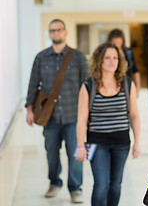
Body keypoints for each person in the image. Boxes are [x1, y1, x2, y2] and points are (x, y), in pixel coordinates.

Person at [25, 19, 88, 203]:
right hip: (49, 117)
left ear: (65, 32)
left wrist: (89, 113)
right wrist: (29, 108)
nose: (56, 33)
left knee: (75, 154)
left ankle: (76, 189)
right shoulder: (41, 57)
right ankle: (54, 183)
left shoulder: (77, 57)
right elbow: (33, 84)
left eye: (59, 30)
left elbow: (87, 86)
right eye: (52, 31)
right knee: (51, 154)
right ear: (49, 33)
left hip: (73, 117)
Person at [75, 42, 141, 206]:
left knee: (115, 185)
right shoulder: (88, 86)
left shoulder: (127, 84)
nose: (112, 61)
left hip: (121, 143)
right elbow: (82, 119)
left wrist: (137, 142)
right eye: (107, 58)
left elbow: (134, 115)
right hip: (98, 143)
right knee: (101, 185)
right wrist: (80, 145)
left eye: (115, 58)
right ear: (99, 60)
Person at [107, 28, 141, 97]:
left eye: (119, 43)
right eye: (115, 43)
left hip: (127, 85)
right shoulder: (107, 54)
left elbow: (135, 71)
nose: (117, 46)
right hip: (113, 86)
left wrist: (137, 88)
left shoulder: (128, 52)